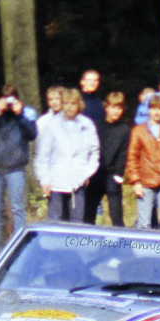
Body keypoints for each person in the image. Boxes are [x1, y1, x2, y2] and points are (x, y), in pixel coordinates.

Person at [0, 85, 38, 253]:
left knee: (17, 207)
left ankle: (19, 244)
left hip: (16, 167)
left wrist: (20, 116)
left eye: (12, 99)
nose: (9, 104)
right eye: (6, 99)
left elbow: (32, 134)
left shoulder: (26, 113)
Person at [34, 88, 100, 223]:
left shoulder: (87, 124)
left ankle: (75, 244)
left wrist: (86, 174)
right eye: (66, 103)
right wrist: (44, 179)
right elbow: (43, 156)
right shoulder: (52, 125)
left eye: (73, 103)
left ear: (79, 104)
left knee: (77, 221)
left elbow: (94, 153)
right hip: (56, 181)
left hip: (78, 181)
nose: (69, 107)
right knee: (54, 220)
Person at [125, 94, 160, 231]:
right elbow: (132, 157)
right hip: (146, 181)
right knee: (144, 223)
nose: (157, 112)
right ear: (148, 111)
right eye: (153, 108)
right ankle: (144, 251)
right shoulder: (138, 131)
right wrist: (136, 181)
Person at [83, 92, 130, 227]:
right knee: (88, 211)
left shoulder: (124, 129)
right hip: (96, 173)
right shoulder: (97, 126)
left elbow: (123, 153)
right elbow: (90, 148)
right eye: (113, 107)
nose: (115, 111)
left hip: (112, 174)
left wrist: (118, 174)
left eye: (119, 108)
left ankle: (121, 241)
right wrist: (89, 171)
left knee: (116, 214)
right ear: (106, 108)